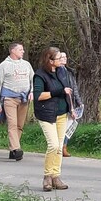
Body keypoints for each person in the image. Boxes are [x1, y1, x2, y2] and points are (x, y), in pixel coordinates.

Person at [33, 47, 72, 191]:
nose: (61, 60)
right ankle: (47, 176)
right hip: (47, 114)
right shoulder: (40, 75)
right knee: (53, 145)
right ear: (50, 60)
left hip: (62, 113)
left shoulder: (62, 72)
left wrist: (71, 108)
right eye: (58, 58)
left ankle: (56, 176)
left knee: (60, 147)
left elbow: (68, 89)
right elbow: (39, 96)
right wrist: (58, 91)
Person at [0, 43, 34, 161]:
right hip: (9, 98)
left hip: (24, 99)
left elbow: (33, 79)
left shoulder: (26, 65)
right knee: (12, 123)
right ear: (13, 51)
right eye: (20, 49)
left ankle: (12, 149)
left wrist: (32, 91)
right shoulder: (4, 65)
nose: (23, 51)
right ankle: (17, 149)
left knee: (20, 125)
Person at [56, 51, 82, 158]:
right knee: (61, 126)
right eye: (62, 57)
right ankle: (57, 147)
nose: (64, 59)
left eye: (66, 57)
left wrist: (79, 102)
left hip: (71, 101)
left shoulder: (69, 72)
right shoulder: (55, 72)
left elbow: (74, 88)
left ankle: (64, 147)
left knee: (69, 125)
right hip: (61, 102)